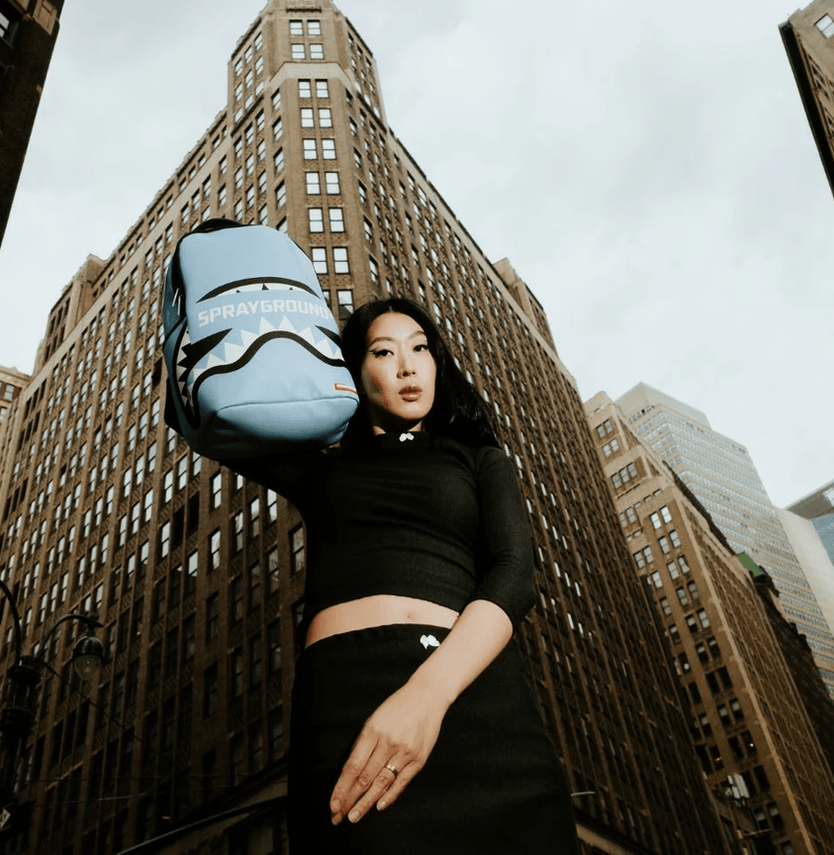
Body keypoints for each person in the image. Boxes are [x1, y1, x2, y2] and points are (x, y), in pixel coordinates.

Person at [223, 297, 578, 853]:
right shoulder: (320, 465)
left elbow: (514, 574)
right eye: (384, 352)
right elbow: (203, 412)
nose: (408, 366)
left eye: (420, 349)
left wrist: (427, 696)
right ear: (356, 372)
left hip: (472, 692)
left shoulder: (478, 459)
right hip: (348, 701)